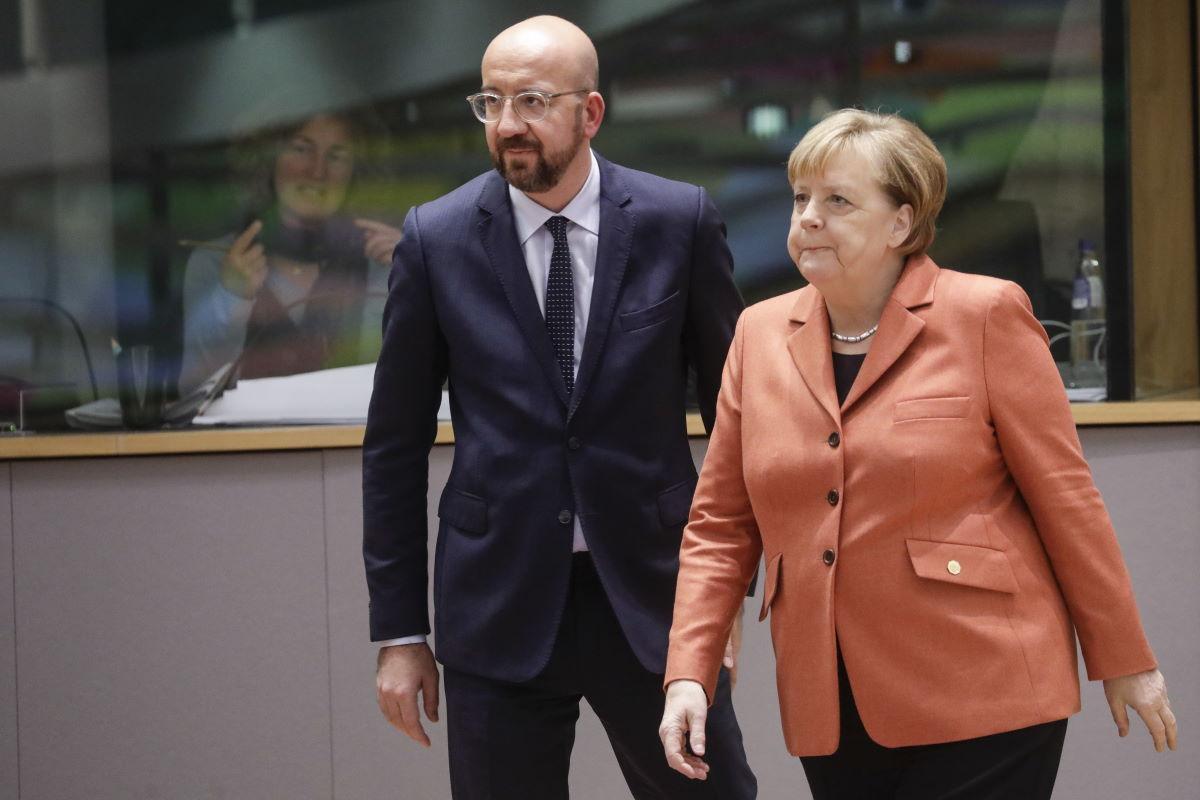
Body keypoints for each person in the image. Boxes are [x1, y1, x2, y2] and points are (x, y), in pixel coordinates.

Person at [659, 109, 1177, 799]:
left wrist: (1123, 659)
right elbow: (720, 526)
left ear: (902, 223)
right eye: (800, 198)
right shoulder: (756, 335)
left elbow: (1066, 498)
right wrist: (688, 672)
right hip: (831, 701)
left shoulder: (985, 314)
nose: (809, 217)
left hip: (984, 683)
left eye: (837, 201)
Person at [363, 15, 757, 800]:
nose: (508, 125)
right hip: (497, 601)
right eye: (491, 102)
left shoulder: (679, 223)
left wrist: (726, 594)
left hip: (652, 598)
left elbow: (736, 423)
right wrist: (402, 634)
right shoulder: (435, 240)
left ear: (591, 112)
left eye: (534, 101)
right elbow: (394, 448)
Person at [180, 111, 401, 390]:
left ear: (355, 171)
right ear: (267, 161)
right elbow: (193, 392)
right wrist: (229, 296)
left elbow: (414, 382)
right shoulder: (215, 261)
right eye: (301, 149)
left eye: (336, 156)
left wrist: (413, 276)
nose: (317, 171)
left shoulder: (384, 262)